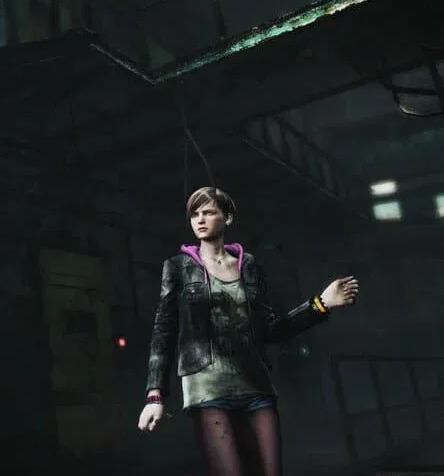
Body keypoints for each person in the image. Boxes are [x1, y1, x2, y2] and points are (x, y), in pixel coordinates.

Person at [136, 187, 358, 476]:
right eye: (194, 214)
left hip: (256, 386)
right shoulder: (178, 267)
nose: (200, 219)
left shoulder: (249, 265)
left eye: (208, 212)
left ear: (227, 217)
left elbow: (270, 330)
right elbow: (163, 330)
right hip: (207, 390)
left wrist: (320, 304)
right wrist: (155, 396)